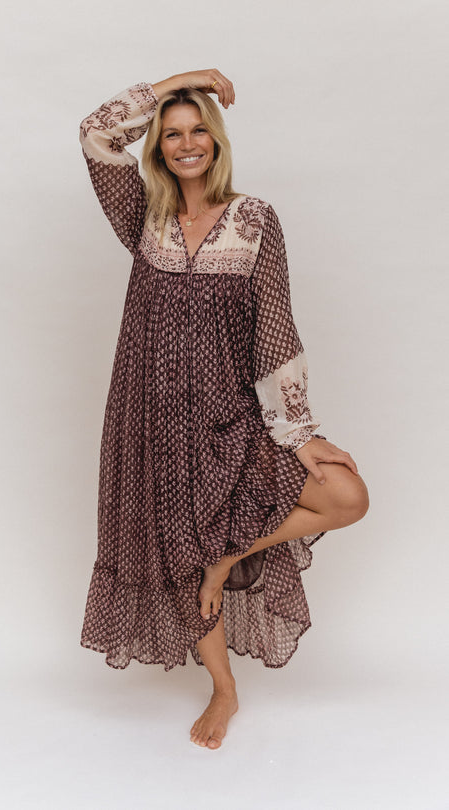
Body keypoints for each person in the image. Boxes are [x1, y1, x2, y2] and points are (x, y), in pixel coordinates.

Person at [78, 69, 369, 750]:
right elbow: (96, 133)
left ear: (216, 141)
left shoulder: (254, 220)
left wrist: (298, 434)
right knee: (177, 549)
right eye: (172, 134)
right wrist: (181, 82)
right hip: (150, 420)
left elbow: (275, 327)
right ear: (158, 147)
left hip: (229, 417)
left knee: (347, 495)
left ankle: (229, 553)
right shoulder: (143, 217)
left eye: (198, 130)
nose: (187, 144)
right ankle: (223, 689)